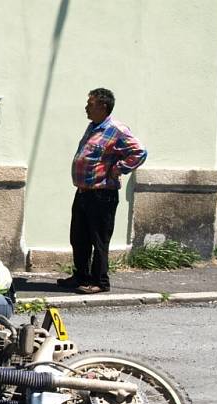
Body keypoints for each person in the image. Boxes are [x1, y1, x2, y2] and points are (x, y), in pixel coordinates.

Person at [58, 88, 147, 294]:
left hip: (101, 194)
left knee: (98, 240)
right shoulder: (93, 127)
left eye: (90, 104)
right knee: (79, 237)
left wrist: (118, 169)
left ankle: (100, 282)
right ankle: (81, 276)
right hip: (83, 192)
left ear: (103, 106)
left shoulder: (117, 129)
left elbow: (139, 152)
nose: (86, 108)